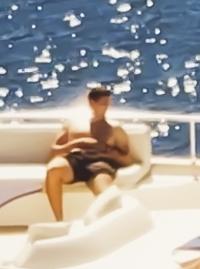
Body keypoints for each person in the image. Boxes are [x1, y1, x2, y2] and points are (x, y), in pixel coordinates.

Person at [43, 84, 138, 220]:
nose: (106, 107)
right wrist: (77, 143)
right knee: (53, 170)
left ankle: (101, 223)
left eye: (108, 103)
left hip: (100, 164)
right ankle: (59, 220)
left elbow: (127, 160)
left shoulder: (114, 128)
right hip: (75, 160)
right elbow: (55, 150)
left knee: (106, 194)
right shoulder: (73, 123)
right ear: (91, 103)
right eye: (103, 103)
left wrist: (107, 151)